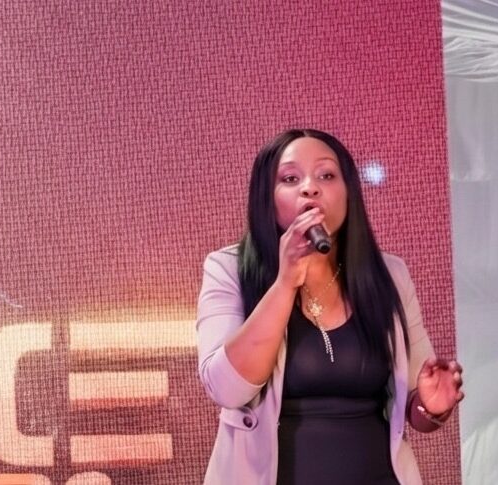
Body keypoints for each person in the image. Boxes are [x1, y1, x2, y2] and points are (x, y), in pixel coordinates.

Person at [196, 128, 464, 484]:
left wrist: (432, 407)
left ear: (348, 192)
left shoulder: (389, 275)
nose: (310, 188)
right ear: (266, 197)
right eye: (290, 178)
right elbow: (227, 390)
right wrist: (285, 282)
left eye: (326, 175)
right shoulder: (228, 269)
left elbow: (416, 408)